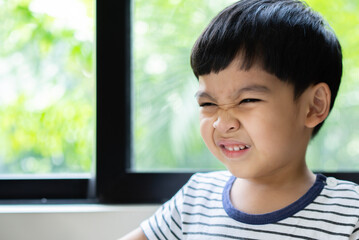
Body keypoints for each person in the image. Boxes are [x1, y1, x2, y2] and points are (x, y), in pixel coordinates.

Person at [121, 0, 359, 239]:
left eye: (247, 101)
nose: (222, 123)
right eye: (208, 104)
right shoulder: (195, 198)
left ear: (313, 106)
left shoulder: (350, 214)